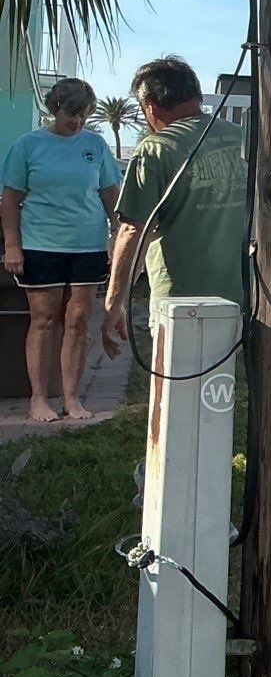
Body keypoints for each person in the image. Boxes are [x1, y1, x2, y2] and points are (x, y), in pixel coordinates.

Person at [102, 57, 249, 357]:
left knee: (175, 392)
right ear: (196, 95)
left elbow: (132, 229)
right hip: (243, 293)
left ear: (151, 106)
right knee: (221, 389)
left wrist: (115, 300)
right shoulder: (243, 138)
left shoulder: (156, 148)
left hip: (180, 299)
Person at [1, 78, 123, 422]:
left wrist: (118, 232)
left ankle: (72, 398)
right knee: (43, 320)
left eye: (85, 115)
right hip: (40, 244)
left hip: (87, 245)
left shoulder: (95, 145)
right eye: (73, 114)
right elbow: (10, 199)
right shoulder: (28, 145)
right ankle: (39, 399)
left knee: (79, 320)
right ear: (55, 108)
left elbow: (110, 193)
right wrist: (13, 246)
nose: (78, 121)